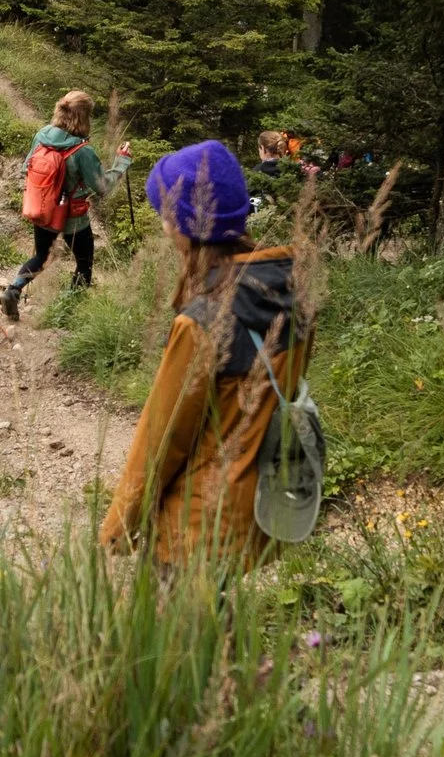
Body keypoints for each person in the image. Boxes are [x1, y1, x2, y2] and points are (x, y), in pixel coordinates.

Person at [98, 140, 311, 571]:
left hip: (194, 522)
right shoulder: (292, 290)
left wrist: (119, 525)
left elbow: (162, 438)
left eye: (164, 215)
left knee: (172, 630)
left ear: (183, 224)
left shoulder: (200, 323)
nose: (162, 226)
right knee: (209, 621)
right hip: (256, 501)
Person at [1, 89, 130, 317]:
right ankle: (70, 313)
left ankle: (13, 290)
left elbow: (26, 169)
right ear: (83, 117)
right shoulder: (82, 151)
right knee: (84, 262)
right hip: (74, 219)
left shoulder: (42, 135)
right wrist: (121, 162)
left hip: (43, 210)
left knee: (41, 256)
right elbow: (103, 187)